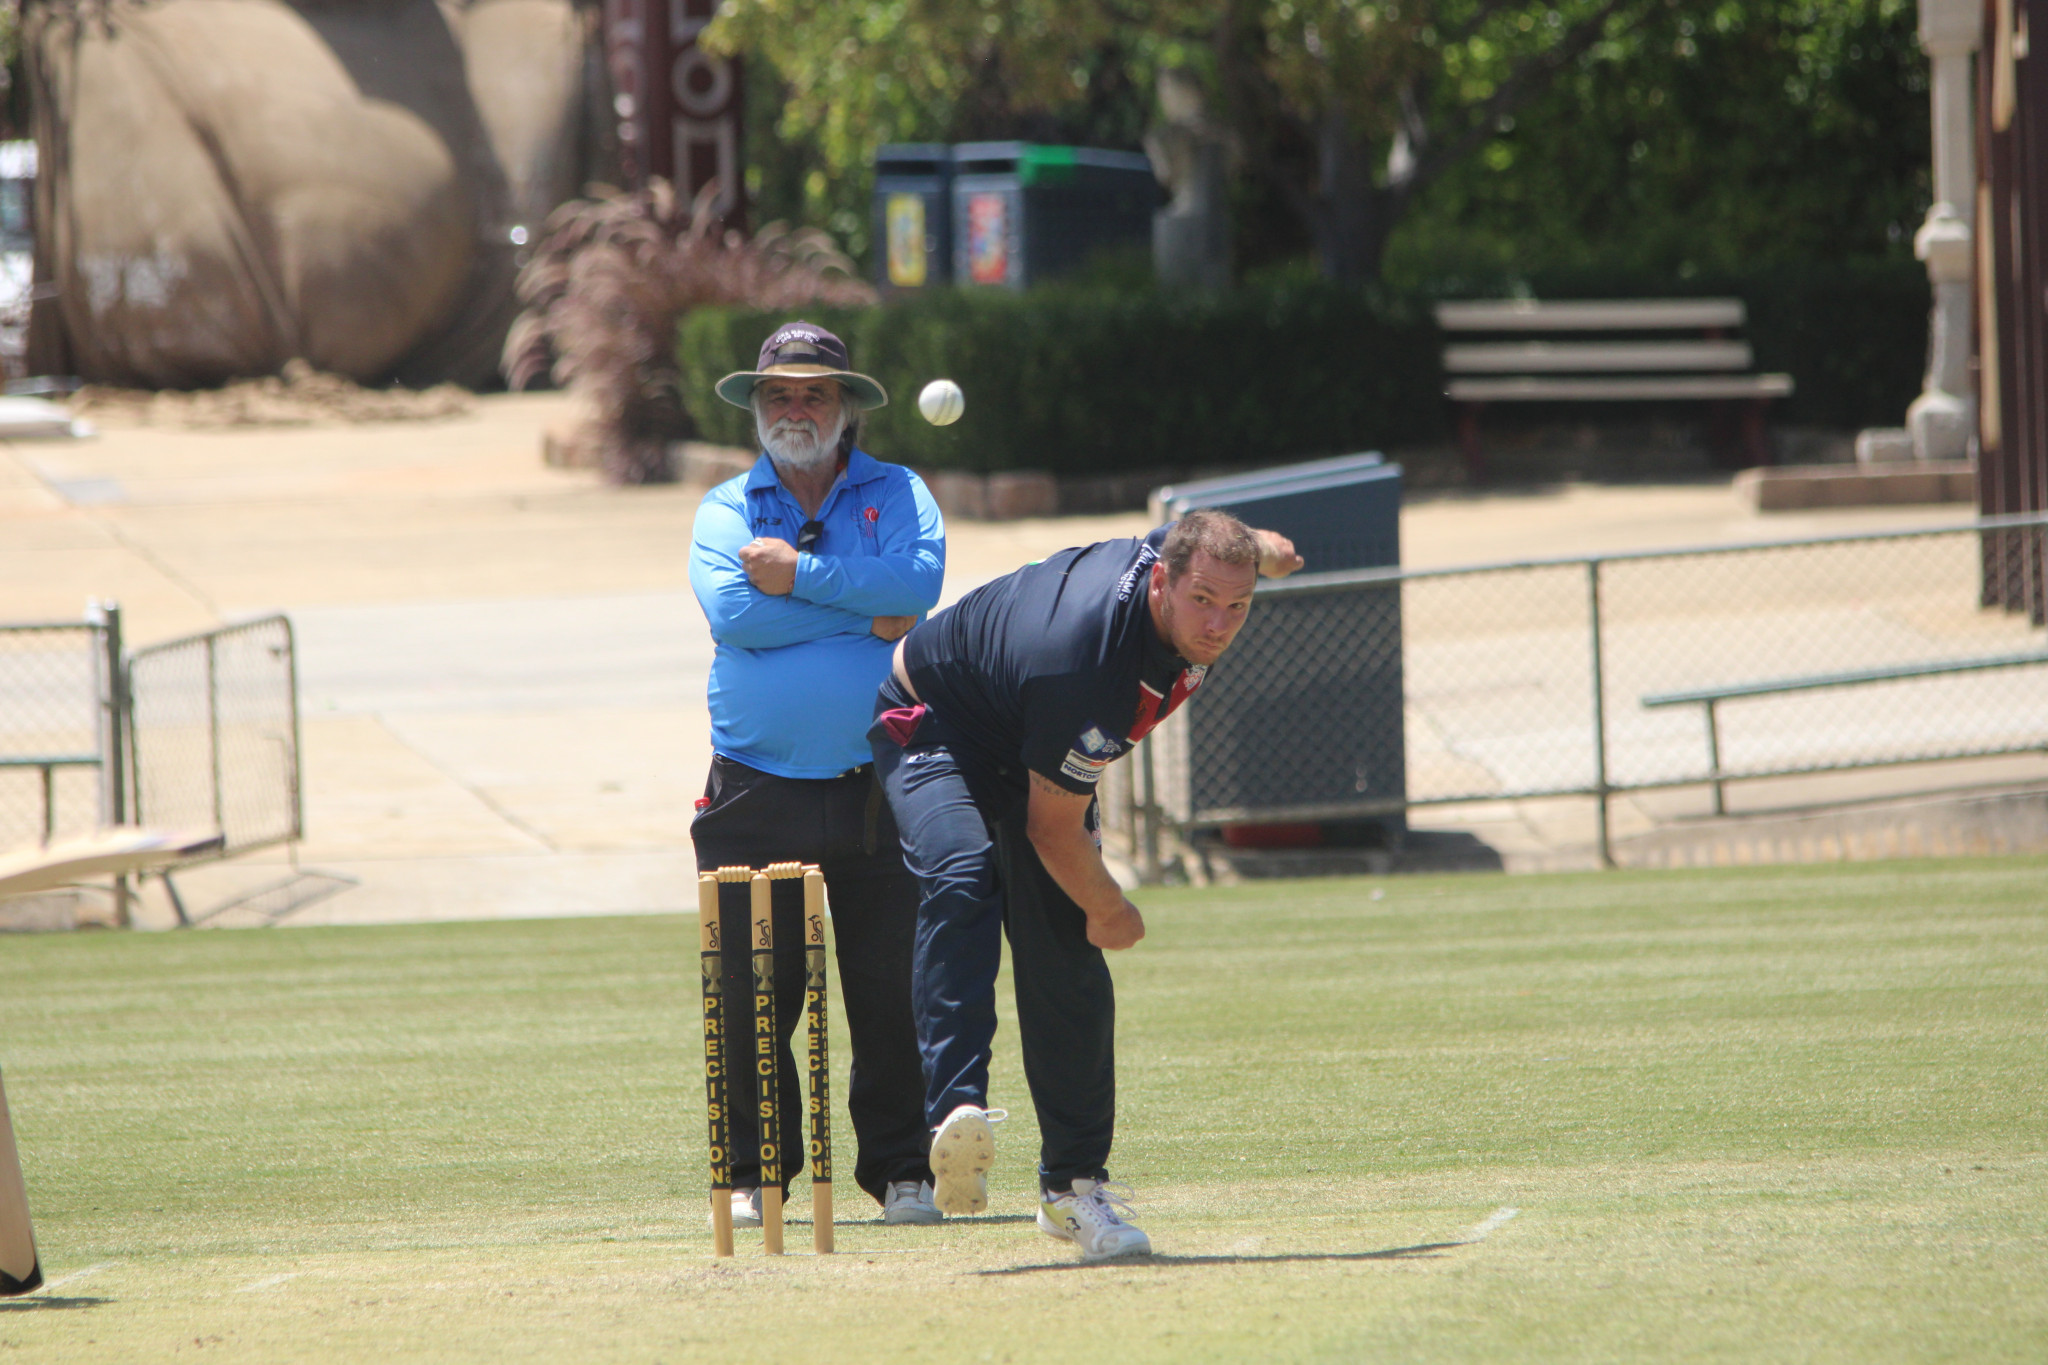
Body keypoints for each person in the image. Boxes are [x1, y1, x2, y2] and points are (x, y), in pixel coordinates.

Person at [867, 508, 1304, 1261]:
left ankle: (1073, 1191)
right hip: (937, 723)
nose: (1219, 622)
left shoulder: (1198, 565)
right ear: (1161, 581)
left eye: (1238, 604)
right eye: (1202, 599)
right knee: (965, 872)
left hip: (1031, 734)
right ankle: (956, 1112)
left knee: (1062, 950)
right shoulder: (1093, 665)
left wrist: (1270, 552)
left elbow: (1237, 545)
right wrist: (1114, 907)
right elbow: (1052, 831)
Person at [689, 321, 947, 1227]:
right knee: (755, 992)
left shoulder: (900, 492)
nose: (795, 408)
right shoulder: (725, 507)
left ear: (847, 409)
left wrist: (794, 575)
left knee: (889, 986)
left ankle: (904, 1170)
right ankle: (760, 1174)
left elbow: (916, 587)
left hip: (881, 782)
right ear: (756, 407)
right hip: (754, 787)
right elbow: (734, 616)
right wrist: (853, 602)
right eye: (779, 394)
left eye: (815, 393)